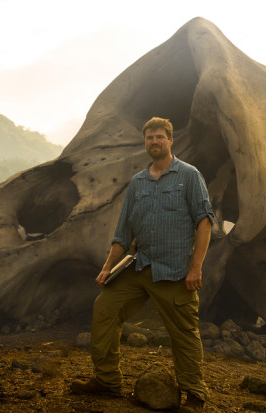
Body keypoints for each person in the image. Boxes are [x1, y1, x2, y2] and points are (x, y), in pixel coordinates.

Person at [71, 117, 214, 413]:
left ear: (170, 140)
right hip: (140, 267)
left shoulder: (189, 176)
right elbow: (123, 233)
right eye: (149, 138)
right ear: (145, 142)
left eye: (160, 137)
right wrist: (107, 267)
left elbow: (204, 222)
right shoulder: (138, 182)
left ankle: (195, 396)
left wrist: (196, 267)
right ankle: (107, 380)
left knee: (184, 332)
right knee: (105, 308)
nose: (154, 142)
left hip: (175, 272)